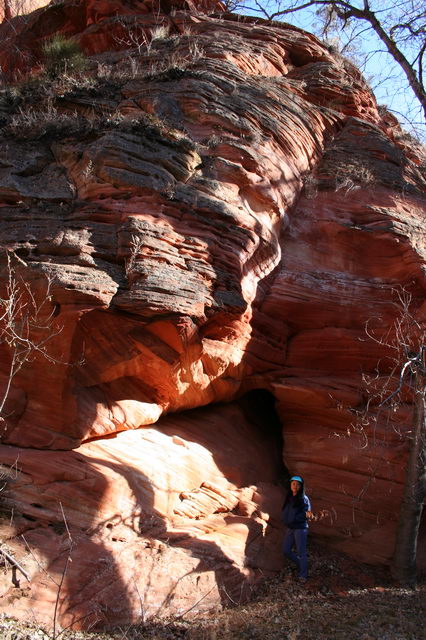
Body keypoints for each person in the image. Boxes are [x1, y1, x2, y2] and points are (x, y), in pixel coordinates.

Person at [282, 475, 313, 580]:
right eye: (293, 484)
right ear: (290, 485)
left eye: (298, 485)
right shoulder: (289, 496)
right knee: (286, 550)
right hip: (290, 528)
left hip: (300, 528)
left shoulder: (304, 499)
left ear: (301, 487)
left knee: (301, 552)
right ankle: (301, 564)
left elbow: (307, 514)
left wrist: (294, 519)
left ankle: (303, 575)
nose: (295, 486)